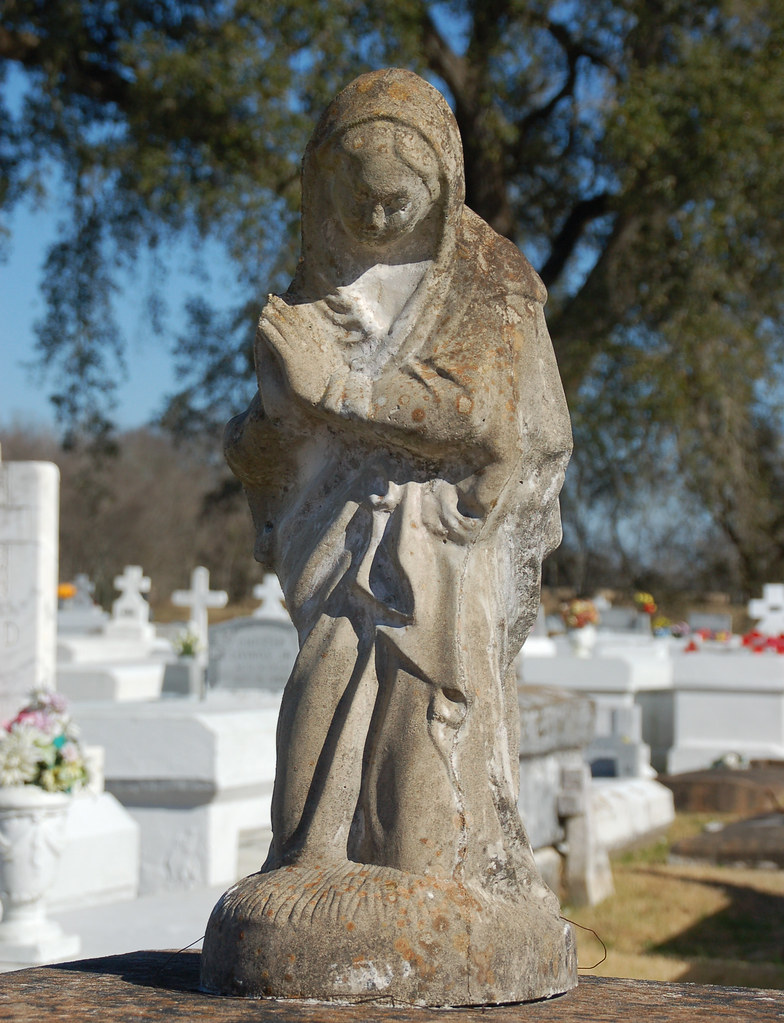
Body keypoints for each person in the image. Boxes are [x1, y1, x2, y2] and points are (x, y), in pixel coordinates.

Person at [225, 68, 572, 895]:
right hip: (338, 540)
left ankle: (431, 884)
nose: (377, 219)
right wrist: (277, 409)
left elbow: (480, 417)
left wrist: (335, 393)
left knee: (419, 746)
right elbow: (267, 439)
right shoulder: (318, 286)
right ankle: (306, 865)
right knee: (318, 710)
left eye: (398, 202)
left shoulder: (490, 279)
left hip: (437, 552)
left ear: (441, 187)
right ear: (325, 186)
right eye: (361, 201)